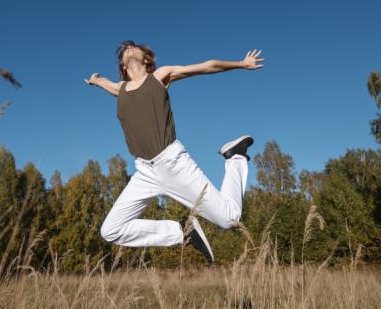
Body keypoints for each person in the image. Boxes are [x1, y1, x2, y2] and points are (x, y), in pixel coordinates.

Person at [84, 40, 265, 263]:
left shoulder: (160, 76)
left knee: (229, 219)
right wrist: (95, 80)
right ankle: (181, 232)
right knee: (110, 230)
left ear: (147, 58)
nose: (128, 48)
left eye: (134, 46)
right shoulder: (120, 89)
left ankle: (235, 156)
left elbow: (206, 66)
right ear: (122, 65)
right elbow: (105, 82)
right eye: (124, 49)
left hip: (173, 163)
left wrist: (241, 63)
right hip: (145, 172)